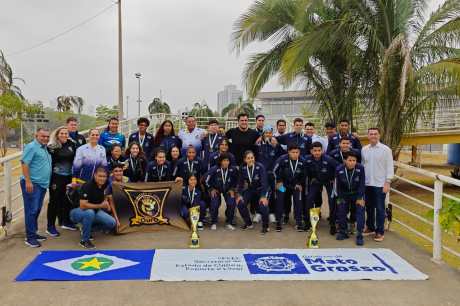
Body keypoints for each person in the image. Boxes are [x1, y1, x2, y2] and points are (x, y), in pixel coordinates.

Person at [70, 167, 116, 249]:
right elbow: (82, 205)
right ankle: (84, 240)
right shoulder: (88, 185)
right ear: (95, 175)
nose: (102, 178)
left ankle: (86, 228)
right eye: (100, 176)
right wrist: (101, 206)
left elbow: (106, 194)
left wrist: (106, 202)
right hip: (77, 212)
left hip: (94, 210)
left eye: (104, 176)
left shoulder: (105, 183)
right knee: (89, 212)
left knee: (112, 223)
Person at [20, 128, 52, 247]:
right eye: (43, 136)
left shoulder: (44, 148)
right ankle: (30, 237)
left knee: (37, 209)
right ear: (36, 136)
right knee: (31, 210)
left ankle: (33, 232)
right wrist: (28, 181)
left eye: (47, 136)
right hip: (32, 184)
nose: (45, 138)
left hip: (42, 184)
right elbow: (24, 163)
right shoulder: (32, 147)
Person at [361, 127, 394, 242]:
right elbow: (362, 166)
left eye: (375, 134)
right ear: (368, 136)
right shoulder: (364, 149)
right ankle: (370, 227)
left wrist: (388, 182)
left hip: (380, 184)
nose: (373, 136)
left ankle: (380, 232)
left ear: (379, 135)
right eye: (371, 134)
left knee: (380, 209)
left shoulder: (386, 150)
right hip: (367, 183)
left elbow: (390, 166)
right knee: (369, 207)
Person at [47, 126, 77, 237]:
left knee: (67, 200)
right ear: (57, 135)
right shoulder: (51, 147)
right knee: (54, 201)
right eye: (62, 133)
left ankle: (65, 222)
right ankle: (50, 226)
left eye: (66, 133)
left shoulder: (71, 144)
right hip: (56, 178)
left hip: (68, 177)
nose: (64, 135)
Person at [304, 142, 338, 232]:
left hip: (328, 182)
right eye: (315, 151)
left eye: (319, 150)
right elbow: (305, 171)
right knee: (310, 199)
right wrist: (311, 178)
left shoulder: (329, 159)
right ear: (311, 151)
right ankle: (309, 222)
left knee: (332, 201)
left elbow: (339, 168)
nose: (317, 152)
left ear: (322, 150)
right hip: (316, 181)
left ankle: (332, 223)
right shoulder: (307, 159)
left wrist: (334, 178)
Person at [335, 151, 366, 245]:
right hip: (344, 194)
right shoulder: (339, 169)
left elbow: (362, 184)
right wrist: (340, 198)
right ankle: (343, 231)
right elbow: (338, 186)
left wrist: (360, 198)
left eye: (354, 160)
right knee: (341, 211)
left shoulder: (360, 168)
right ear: (345, 161)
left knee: (360, 213)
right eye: (350, 160)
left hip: (357, 194)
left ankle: (359, 235)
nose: (352, 162)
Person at [273, 144, 306, 232]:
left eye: (297, 152)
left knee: (298, 201)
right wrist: (279, 181)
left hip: (295, 186)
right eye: (293, 152)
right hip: (283, 185)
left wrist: (299, 183)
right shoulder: (282, 159)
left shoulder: (302, 161)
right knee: (280, 200)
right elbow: (274, 171)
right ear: (288, 152)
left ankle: (298, 222)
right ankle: (279, 221)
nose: (295, 154)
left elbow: (304, 175)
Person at [237, 151, 270, 233]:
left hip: (262, 189)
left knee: (263, 205)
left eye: (252, 158)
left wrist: (263, 196)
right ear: (245, 160)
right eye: (248, 158)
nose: (251, 160)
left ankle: (265, 226)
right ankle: (248, 223)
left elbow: (264, 183)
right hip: (251, 189)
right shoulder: (243, 168)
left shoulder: (260, 167)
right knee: (240, 203)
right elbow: (240, 183)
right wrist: (239, 194)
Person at [205, 153, 239, 230]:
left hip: (228, 190)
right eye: (224, 160)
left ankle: (229, 221)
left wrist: (233, 189)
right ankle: (213, 221)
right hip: (216, 189)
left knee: (231, 202)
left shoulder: (233, 169)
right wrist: (211, 189)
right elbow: (205, 180)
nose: (225, 162)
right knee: (214, 203)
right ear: (220, 161)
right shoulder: (214, 169)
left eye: (227, 161)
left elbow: (238, 181)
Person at [257, 126, 283, 224]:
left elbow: (283, 155)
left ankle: (272, 212)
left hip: (273, 174)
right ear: (263, 134)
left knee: (273, 193)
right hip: (261, 174)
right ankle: (259, 212)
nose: (268, 135)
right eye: (266, 133)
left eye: (270, 133)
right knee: (261, 192)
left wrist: (277, 145)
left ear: (272, 134)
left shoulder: (275, 145)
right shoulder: (258, 145)